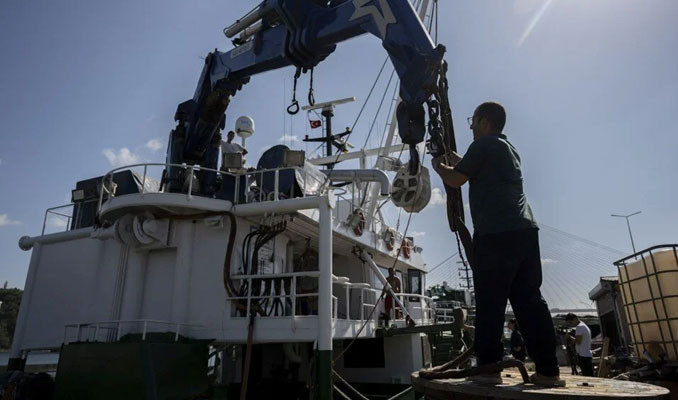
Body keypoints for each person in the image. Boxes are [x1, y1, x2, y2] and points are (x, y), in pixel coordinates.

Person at [431, 101, 564, 386]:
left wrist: (438, 166)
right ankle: (548, 372)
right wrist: (452, 158)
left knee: (491, 303)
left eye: (473, 122)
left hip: (495, 235)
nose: (470, 128)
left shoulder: (483, 146)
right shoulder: (507, 148)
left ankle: (489, 370)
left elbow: (455, 179)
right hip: (525, 232)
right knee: (530, 303)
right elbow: (468, 163)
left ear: (483, 121)